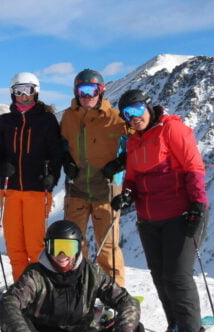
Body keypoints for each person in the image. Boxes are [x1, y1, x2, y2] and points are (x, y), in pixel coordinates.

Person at [0, 220, 185, 332]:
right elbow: (8, 304)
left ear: (79, 247)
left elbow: (127, 302)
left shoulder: (91, 273)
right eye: (56, 247)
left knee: (134, 329)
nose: (62, 255)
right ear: (47, 247)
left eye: (69, 247)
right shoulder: (35, 275)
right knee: (12, 321)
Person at [112, 89, 209, 332]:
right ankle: (175, 326)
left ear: (149, 107)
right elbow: (131, 176)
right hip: (148, 218)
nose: (134, 117)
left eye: (137, 109)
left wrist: (198, 205)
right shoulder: (133, 141)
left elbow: (193, 167)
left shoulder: (172, 130)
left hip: (181, 215)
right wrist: (127, 193)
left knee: (178, 277)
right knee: (160, 276)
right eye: (127, 113)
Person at [59, 69, 129, 287]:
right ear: (75, 92)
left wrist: (119, 164)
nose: (87, 95)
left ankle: (115, 293)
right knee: (73, 244)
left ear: (101, 91)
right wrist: (66, 161)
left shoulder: (116, 118)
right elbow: (62, 144)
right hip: (77, 188)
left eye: (92, 90)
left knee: (107, 246)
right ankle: (78, 287)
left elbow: (136, 144)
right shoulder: (69, 116)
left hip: (106, 190)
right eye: (82, 90)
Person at [0, 72, 63, 281]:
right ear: (12, 94)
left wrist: (52, 176)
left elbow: (56, 153)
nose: (23, 96)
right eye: (18, 91)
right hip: (10, 190)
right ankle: (20, 288)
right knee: (14, 245)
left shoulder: (46, 120)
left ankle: (38, 289)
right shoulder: (5, 121)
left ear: (36, 92)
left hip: (36, 189)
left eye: (27, 90)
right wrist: (0, 167)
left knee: (35, 246)